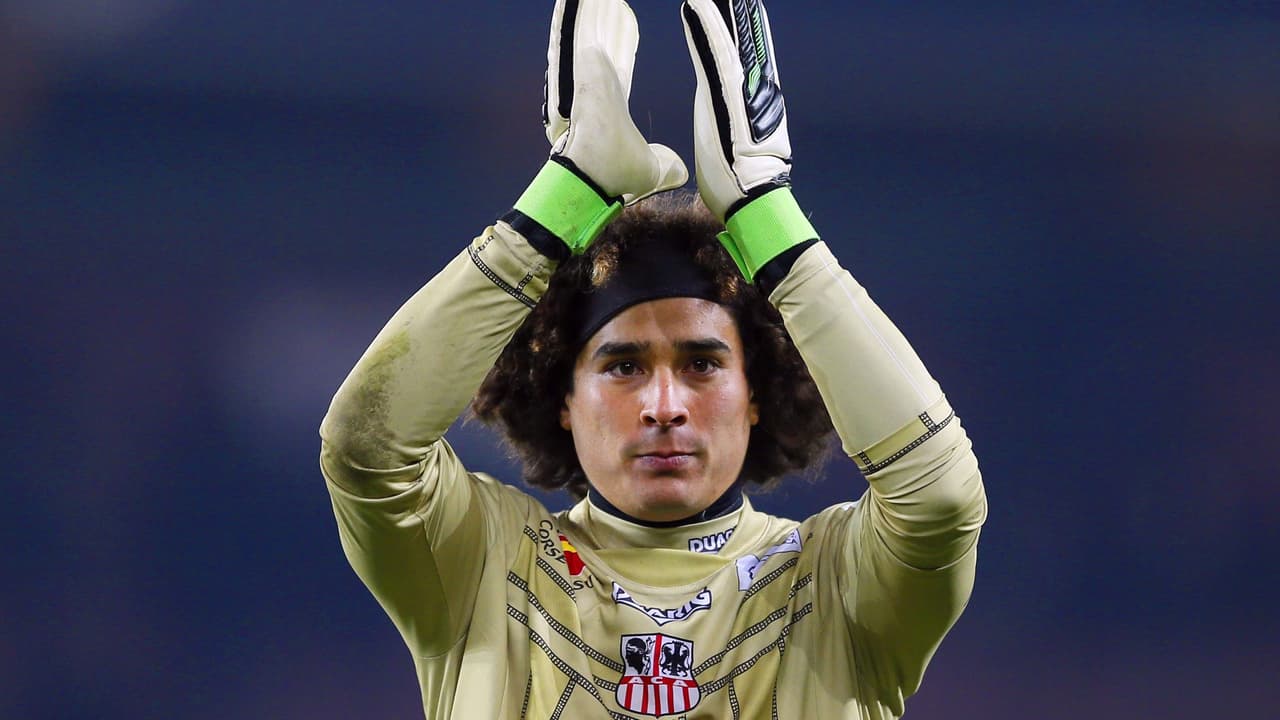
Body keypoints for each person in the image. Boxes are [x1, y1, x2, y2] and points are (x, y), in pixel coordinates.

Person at [319, 0, 987, 717]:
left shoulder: (835, 583)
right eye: (623, 366)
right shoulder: (484, 560)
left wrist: (767, 217)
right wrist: (566, 196)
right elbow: (365, 448)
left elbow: (940, 501)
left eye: (701, 365)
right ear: (563, 399)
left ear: (756, 393)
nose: (663, 406)